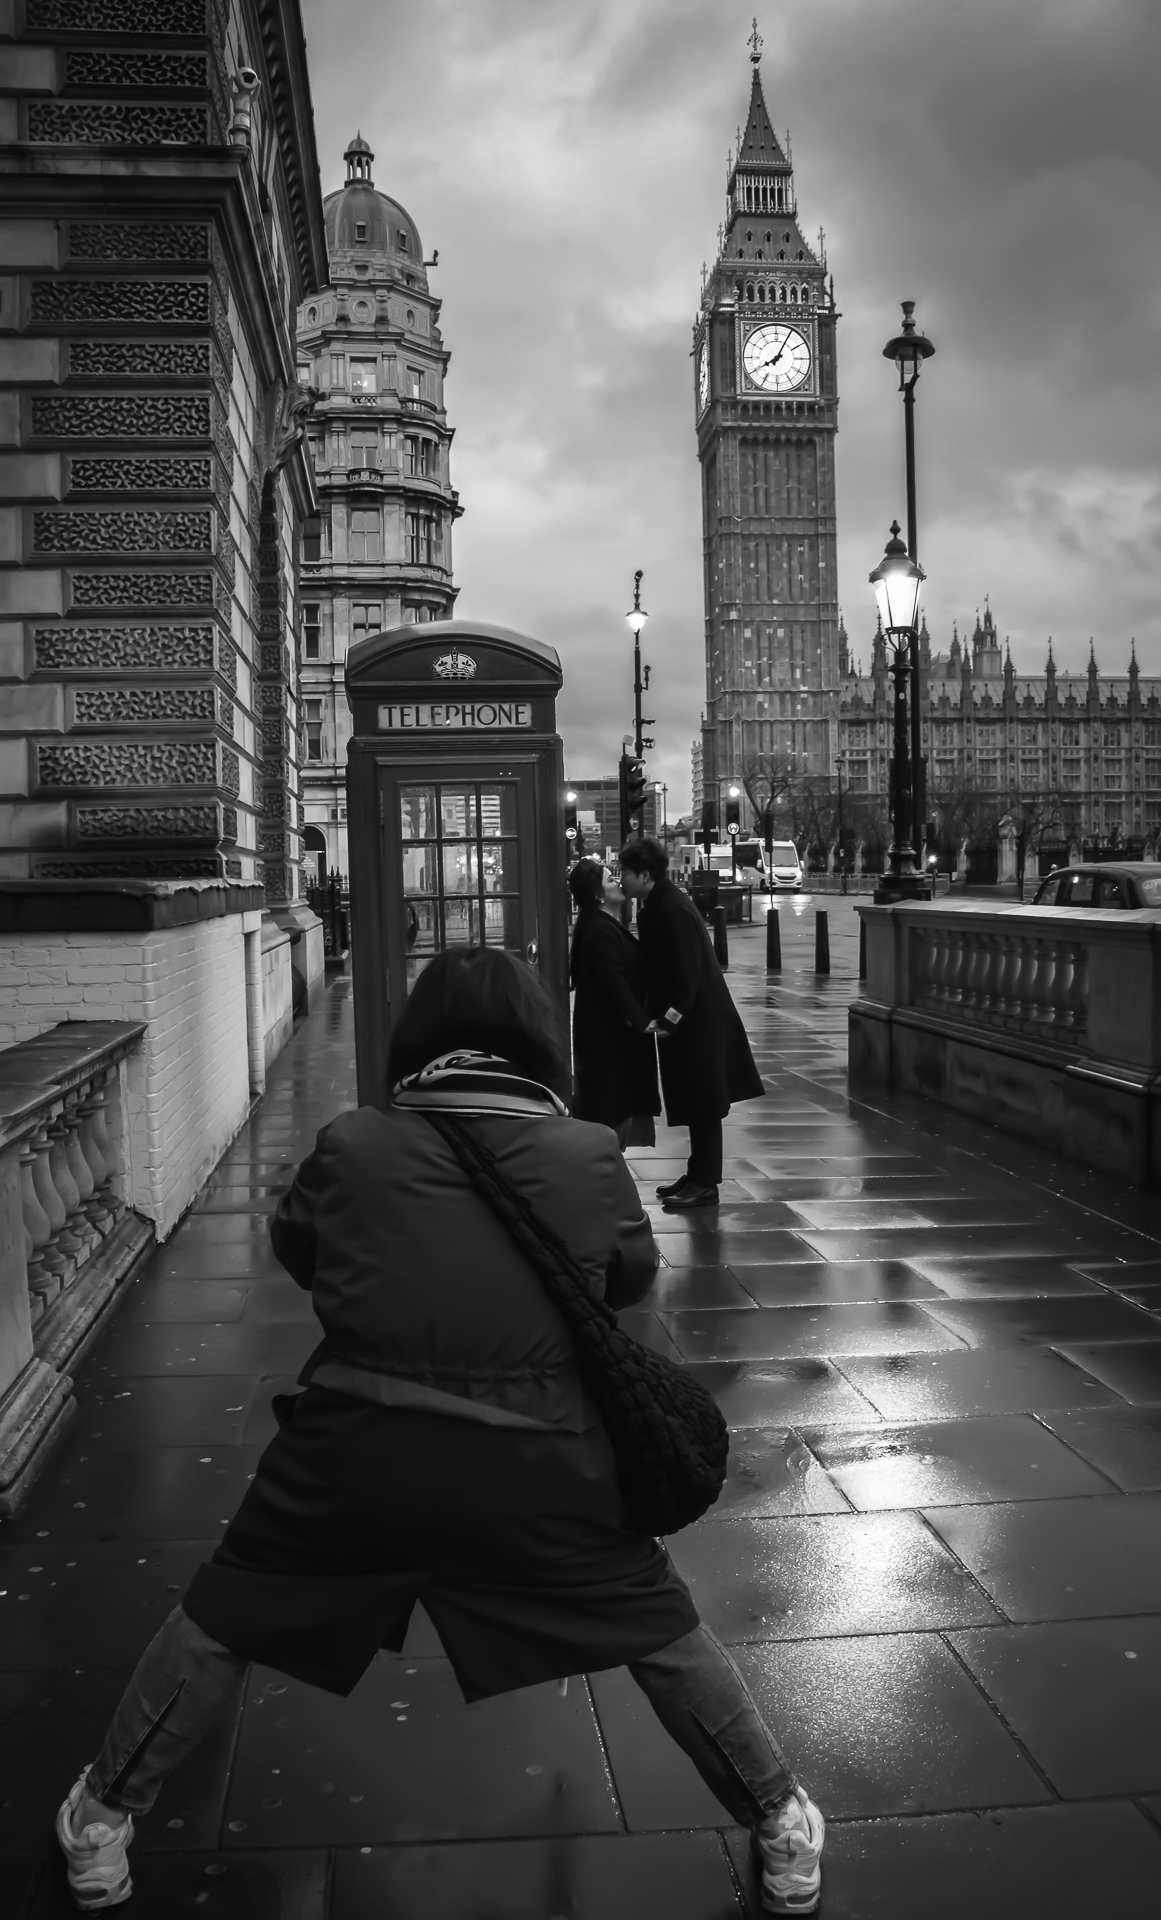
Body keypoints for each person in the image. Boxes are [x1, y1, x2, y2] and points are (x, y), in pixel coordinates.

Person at [54, 947, 823, 1916]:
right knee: (660, 1629)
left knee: (221, 1621)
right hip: (539, 1460)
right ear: (536, 1039)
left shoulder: (354, 1144)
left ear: (421, 1039)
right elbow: (631, 1294)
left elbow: (300, 1248)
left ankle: (99, 1824)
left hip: (357, 1457)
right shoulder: (587, 1152)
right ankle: (782, 1824)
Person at [619, 837, 765, 1209]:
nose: (621, 879)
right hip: (689, 1020)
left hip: (698, 1021)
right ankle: (697, 1173)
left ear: (645, 874)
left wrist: (670, 1019)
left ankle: (705, 1182)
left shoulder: (672, 907)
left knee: (704, 1101)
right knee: (697, 1098)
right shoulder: (658, 903)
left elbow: (688, 972)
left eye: (625, 872)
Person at [568, 856, 660, 1149]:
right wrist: (643, 1022)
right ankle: (606, 1182)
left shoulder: (601, 925)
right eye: (610, 879)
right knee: (609, 1122)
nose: (618, 882)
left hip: (609, 1041)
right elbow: (615, 984)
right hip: (610, 1044)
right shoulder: (600, 930)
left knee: (612, 1119)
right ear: (597, 894)